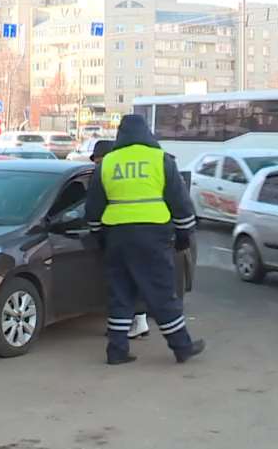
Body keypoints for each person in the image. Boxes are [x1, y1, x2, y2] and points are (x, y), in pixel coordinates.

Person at [85, 114, 204, 365]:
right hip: (152, 235)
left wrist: (99, 237)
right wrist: (184, 236)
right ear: (146, 133)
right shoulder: (160, 160)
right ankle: (182, 347)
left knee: (121, 294)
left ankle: (116, 351)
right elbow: (181, 204)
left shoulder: (107, 163)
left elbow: (93, 208)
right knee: (162, 293)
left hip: (116, 236)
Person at [89, 139, 151, 341]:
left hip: (117, 234)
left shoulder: (109, 176)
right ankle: (135, 323)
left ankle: (125, 330)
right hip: (141, 232)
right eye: (96, 162)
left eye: (100, 161)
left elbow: (94, 209)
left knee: (122, 284)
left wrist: (97, 230)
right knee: (132, 280)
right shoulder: (123, 174)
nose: (98, 166)